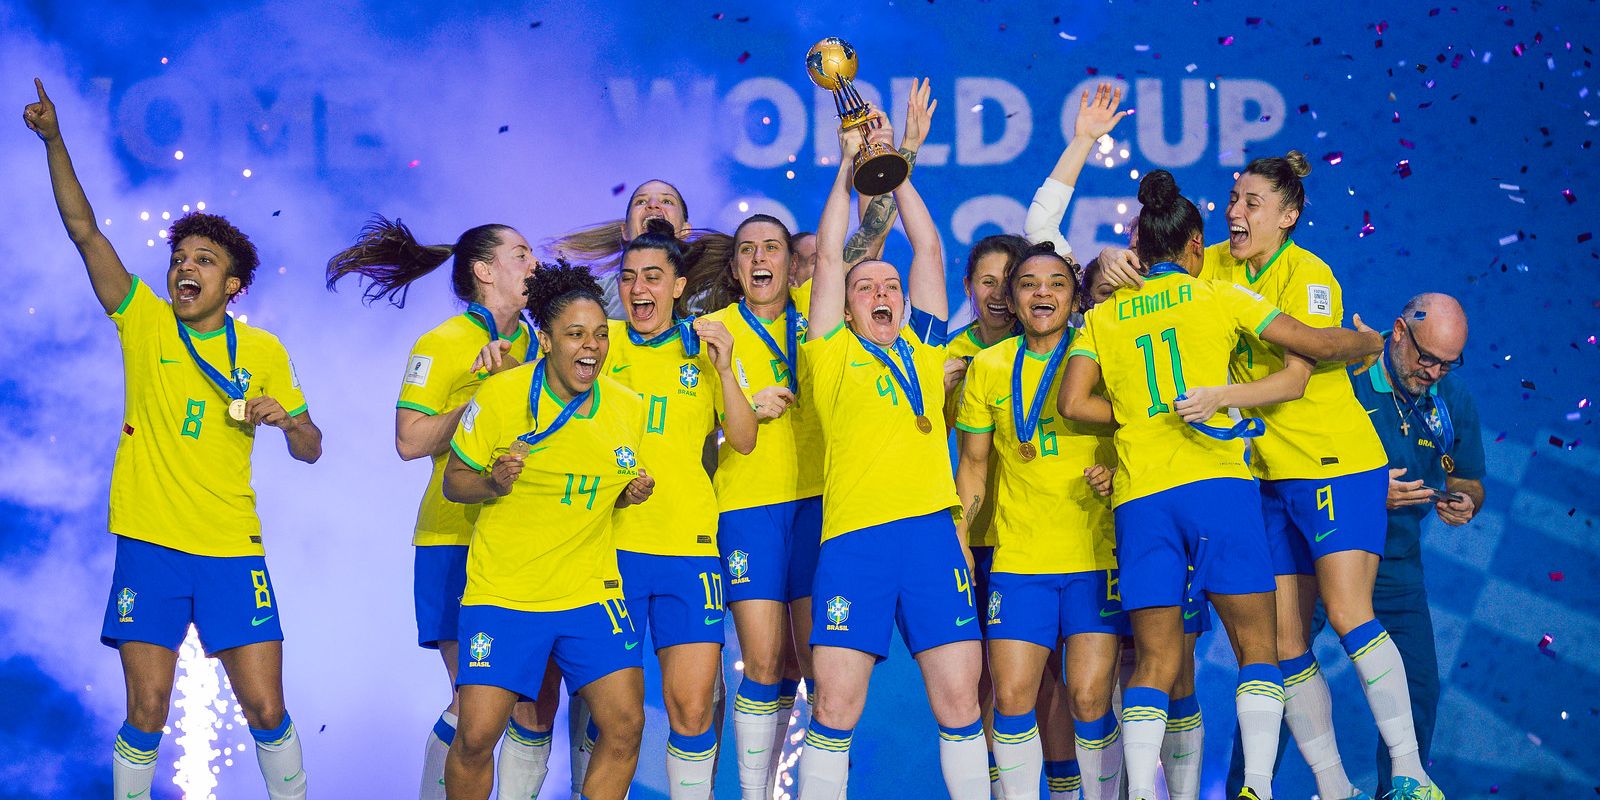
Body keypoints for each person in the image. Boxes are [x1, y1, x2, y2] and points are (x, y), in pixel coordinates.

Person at [26, 78, 323, 800]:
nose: (186, 268)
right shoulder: (145, 321)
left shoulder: (266, 354)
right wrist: (54, 140)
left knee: (267, 708)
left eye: (205, 261)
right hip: (151, 542)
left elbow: (314, 445)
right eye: (180, 257)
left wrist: (286, 421)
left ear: (234, 286)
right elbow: (85, 232)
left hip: (228, 545)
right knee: (147, 711)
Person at [1057, 170, 1384, 800]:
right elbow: (1313, 344)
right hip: (1219, 489)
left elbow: (1073, 402)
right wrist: (1365, 341)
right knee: (1258, 648)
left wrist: (1135, 414)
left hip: (1142, 498)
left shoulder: (1101, 318)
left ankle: (1146, 793)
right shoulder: (1219, 295)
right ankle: (1256, 788)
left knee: (1154, 664)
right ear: (1192, 245)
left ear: (1139, 248)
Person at [325, 217, 563, 800]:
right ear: (484, 271)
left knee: (529, 702)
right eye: (521, 254)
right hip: (455, 537)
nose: (535, 264)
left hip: (527, 541)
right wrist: (484, 398)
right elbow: (409, 440)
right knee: (475, 703)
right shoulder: (442, 344)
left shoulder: (540, 345)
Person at [798, 92, 987, 799]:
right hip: (855, 543)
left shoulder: (924, 343)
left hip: (933, 538)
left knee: (961, 704)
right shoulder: (829, 354)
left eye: (890, 285)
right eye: (865, 286)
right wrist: (848, 168)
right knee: (835, 708)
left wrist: (892, 165)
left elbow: (930, 247)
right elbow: (824, 262)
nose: (881, 290)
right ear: (845, 307)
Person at [441, 261, 653, 800]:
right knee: (475, 736)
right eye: (576, 334)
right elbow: (454, 482)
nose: (593, 347)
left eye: (601, 334)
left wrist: (631, 492)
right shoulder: (501, 396)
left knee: (626, 726)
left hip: (589, 593)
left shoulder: (627, 408)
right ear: (546, 339)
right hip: (505, 592)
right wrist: (492, 482)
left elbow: (614, 479)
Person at [954, 249, 1126, 800]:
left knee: (1089, 697)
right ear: (1012, 295)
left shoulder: (1101, 354)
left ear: (1075, 296)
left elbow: (1144, 429)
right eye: (1029, 284)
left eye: (1056, 283)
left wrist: (1117, 472)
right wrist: (960, 539)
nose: (1043, 294)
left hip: (1096, 555)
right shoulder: (988, 367)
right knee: (1010, 697)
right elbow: (975, 465)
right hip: (1020, 560)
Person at [607, 220, 761, 798]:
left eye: (653, 277)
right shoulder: (600, 345)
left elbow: (742, 439)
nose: (638, 288)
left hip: (688, 550)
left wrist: (724, 368)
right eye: (628, 278)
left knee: (693, 711)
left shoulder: (708, 345)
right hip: (607, 551)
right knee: (616, 718)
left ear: (678, 286)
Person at [1351, 294, 1482, 798]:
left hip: (1397, 567)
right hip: (1320, 554)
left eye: (1448, 364)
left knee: (1418, 688)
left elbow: (1470, 480)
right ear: (1399, 331)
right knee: (1281, 676)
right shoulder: (1347, 375)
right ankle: (1249, 787)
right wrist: (1366, 491)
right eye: (1427, 358)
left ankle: (1399, 790)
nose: (1433, 373)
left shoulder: (1454, 399)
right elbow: (1291, 466)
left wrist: (1466, 502)